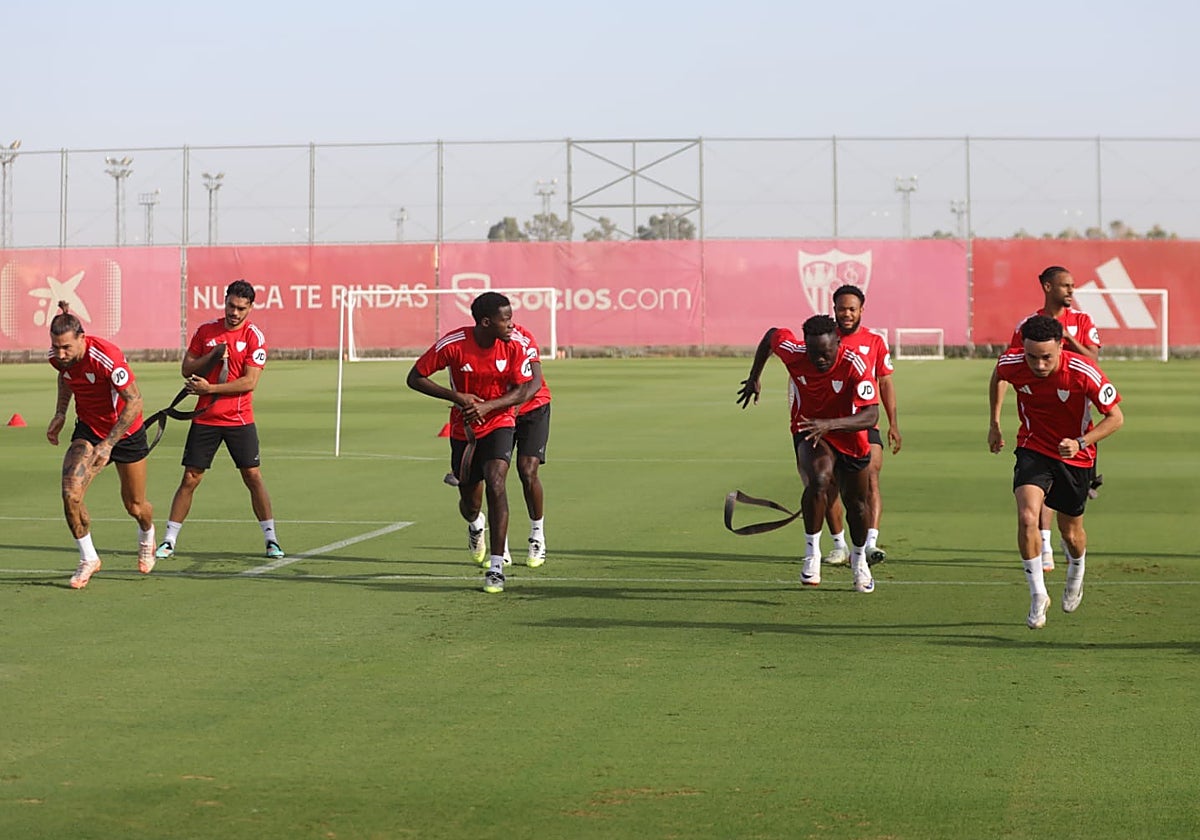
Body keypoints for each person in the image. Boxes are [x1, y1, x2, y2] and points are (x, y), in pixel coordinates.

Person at [988, 314, 1123, 629]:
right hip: (1033, 447)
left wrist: (1081, 442)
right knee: (1026, 518)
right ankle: (1038, 594)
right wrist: (994, 423)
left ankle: (1077, 568)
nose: (1039, 364)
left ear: (1061, 347)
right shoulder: (1012, 361)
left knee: (1071, 533)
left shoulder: (1083, 371)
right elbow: (998, 376)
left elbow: (1116, 417)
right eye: (1032, 357)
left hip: (1075, 456)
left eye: (1047, 357)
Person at [737, 314, 881, 593]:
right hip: (808, 428)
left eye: (826, 353)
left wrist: (831, 424)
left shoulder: (854, 364)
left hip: (850, 436)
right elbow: (771, 335)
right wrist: (755, 377)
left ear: (838, 342)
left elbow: (871, 414)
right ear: (805, 345)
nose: (820, 360)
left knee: (857, 506)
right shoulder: (795, 353)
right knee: (819, 480)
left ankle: (859, 559)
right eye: (814, 353)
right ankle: (812, 554)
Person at [406, 292, 537, 594]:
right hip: (463, 428)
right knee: (470, 502)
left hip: (500, 421)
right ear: (486, 322)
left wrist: (490, 407)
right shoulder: (452, 345)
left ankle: (496, 567)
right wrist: (457, 397)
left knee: (497, 482)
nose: (511, 324)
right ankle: (476, 523)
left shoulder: (514, 345)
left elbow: (524, 389)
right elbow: (414, 377)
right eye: (506, 319)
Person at [155, 279, 284, 561]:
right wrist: (211, 357)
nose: (234, 313)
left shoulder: (254, 337)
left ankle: (271, 539)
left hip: (239, 419)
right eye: (230, 305)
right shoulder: (206, 332)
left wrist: (209, 389)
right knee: (190, 478)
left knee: (252, 476)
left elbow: (249, 382)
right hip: (205, 420)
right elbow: (186, 367)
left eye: (240, 308)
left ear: (250, 308)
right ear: (224, 301)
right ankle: (168, 540)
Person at [46, 301, 156, 588]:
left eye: (67, 347)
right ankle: (89, 558)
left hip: (126, 430)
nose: (60, 353)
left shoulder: (106, 356)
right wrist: (60, 413)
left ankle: (147, 534)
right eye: (56, 347)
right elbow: (65, 377)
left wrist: (109, 444)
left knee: (134, 505)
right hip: (89, 430)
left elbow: (135, 401)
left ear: (82, 337)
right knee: (71, 493)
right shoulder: (59, 357)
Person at [1002, 265, 1102, 572]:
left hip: (1076, 424)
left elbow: (1093, 360)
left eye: (1073, 286)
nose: (1071, 290)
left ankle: (1066, 547)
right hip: (1039, 427)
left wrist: (1067, 339)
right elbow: (1011, 364)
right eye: (1065, 285)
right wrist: (994, 421)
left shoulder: (1083, 321)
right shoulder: (1029, 325)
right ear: (1047, 287)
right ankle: (1043, 543)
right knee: (1035, 492)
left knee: (1070, 512)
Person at [820, 284, 901, 568]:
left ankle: (870, 543)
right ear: (834, 309)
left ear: (861, 310)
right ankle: (839, 545)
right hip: (831, 424)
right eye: (842, 308)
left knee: (870, 479)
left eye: (852, 309)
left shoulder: (875, 342)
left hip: (865, 421)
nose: (847, 314)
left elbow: (886, 382)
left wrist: (893, 424)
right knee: (829, 483)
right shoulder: (825, 340)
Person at [507, 322, 551, 568]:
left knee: (527, 469)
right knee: (495, 474)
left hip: (533, 407)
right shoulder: (474, 345)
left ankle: (537, 535)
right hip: (497, 410)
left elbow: (532, 384)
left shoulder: (521, 338)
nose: (509, 324)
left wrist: (510, 410)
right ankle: (499, 544)